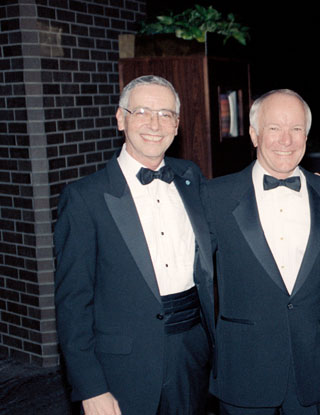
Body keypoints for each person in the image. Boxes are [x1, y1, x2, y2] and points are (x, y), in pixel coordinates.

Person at [54, 75, 215, 415]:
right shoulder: (85, 198)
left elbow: (239, 203)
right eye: (142, 111)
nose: (155, 124)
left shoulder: (191, 178)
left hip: (192, 355)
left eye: (166, 114)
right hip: (121, 368)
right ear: (120, 118)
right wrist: (91, 386)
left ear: (177, 125)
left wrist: (312, 183)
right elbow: (73, 303)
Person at [202, 89, 320, 415]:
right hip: (244, 371)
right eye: (274, 128)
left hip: (315, 370)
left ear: (307, 136)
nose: (286, 139)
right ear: (254, 135)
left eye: (296, 129)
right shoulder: (215, 198)